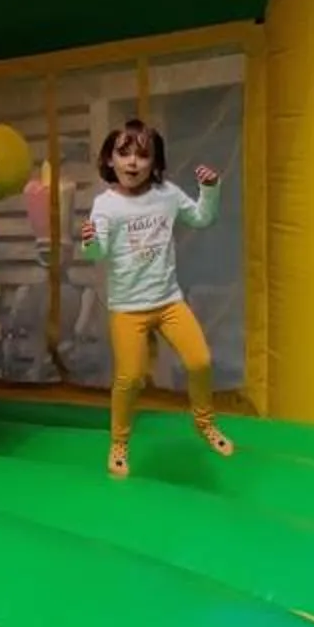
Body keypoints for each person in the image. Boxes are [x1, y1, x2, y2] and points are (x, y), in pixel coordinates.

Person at [76, 116, 233, 477]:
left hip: (168, 302)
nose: (132, 162)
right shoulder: (106, 205)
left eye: (142, 156)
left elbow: (201, 219)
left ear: (155, 163)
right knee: (130, 379)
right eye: (124, 154)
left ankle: (204, 422)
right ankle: (118, 443)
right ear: (110, 160)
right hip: (128, 310)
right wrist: (90, 241)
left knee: (200, 362)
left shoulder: (167, 195)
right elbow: (96, 255)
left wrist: (210, 190)